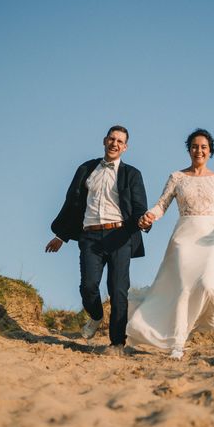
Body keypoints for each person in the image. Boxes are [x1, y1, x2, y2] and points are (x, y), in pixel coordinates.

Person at [127, 129, 214, 360]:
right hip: (184, 238)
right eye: (194, 146)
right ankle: (177, 344)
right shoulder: (177, 177)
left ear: (210, 150)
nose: (198, 150)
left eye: (203, 147)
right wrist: (149, 216)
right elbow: (161, 205)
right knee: (183, 290)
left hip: (211, 238)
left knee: (209, 284)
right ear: (189, 150)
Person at [45, 125, 149, 356]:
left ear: (125, 147)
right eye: (112, 139)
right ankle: (95, 316)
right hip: (90, 235)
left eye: (120, 141)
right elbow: (73, 203)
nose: (115, 144)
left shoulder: (132, 174)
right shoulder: (86, 169)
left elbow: (140, 207)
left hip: (120, 235)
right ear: (104, 141)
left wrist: (144, 221)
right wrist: (61, 235)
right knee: (88, 286)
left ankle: (116, 344)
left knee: (118, 290)